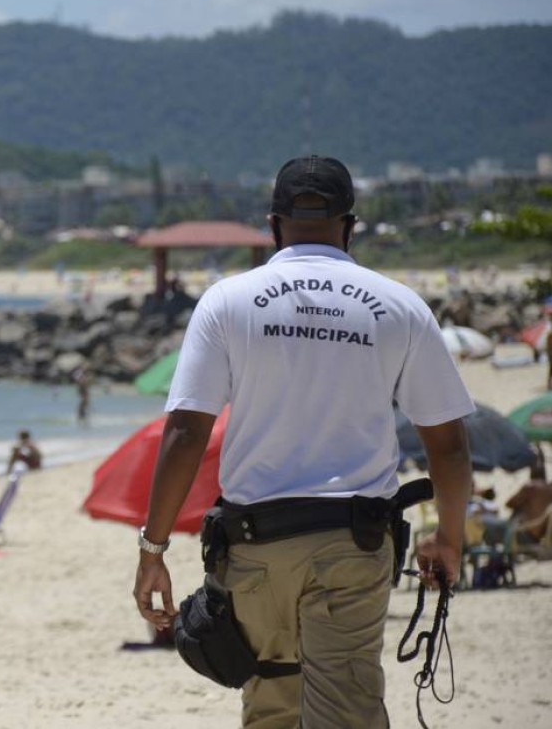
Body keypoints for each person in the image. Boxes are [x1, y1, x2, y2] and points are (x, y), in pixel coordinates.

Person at [132, 155, 474, 729]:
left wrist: (153, 550)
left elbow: (187, 432)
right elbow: (449, 444)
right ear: (350, 225)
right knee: (347, 710)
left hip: (255, 546)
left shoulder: (227, 301)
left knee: (271, 703)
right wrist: (451, 538)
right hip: (353, 542)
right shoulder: (399, 306)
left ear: (272, 225)